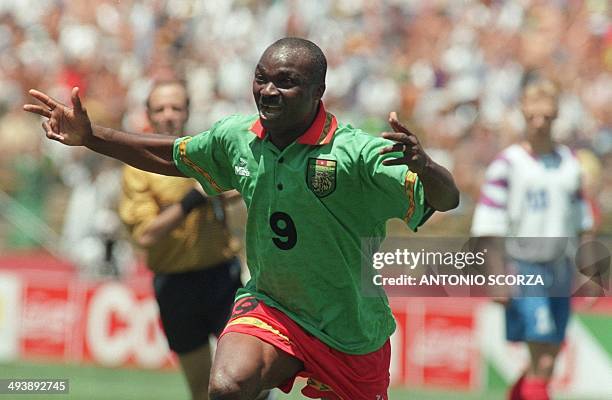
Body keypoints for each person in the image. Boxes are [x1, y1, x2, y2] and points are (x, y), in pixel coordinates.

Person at [24, 37, 459, 400]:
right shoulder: (237, 138)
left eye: (286, 82)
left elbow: (446, 198)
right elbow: (170, 154)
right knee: (228, 385)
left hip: (351, 329)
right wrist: (90, 136)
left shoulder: (355, 154)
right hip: (274, 307)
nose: (268, 90)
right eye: (261, 78)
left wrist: (427, 167)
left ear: (318, 90)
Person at [117, 78, 247, 400]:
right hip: (175, 284)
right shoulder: (139, 168)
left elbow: (239, 185)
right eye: (160, 108)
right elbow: (145, 233)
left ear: (187, 112)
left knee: (244, 376)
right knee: (201, 388)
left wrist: (221, 191)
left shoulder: (204, 152)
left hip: (222, 276)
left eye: (176, 107)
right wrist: (193, 199)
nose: (169, 115)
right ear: (148, 114)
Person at [471, 79, 596, 400]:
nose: (540, 123)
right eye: (533, 117)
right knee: (541, 354)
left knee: (548, 357)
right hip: (525, 268)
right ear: (524, 115)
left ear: (556, 116)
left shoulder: (570, 163)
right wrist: (495, 276)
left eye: (547, 117)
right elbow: (488, 227)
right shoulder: (507, 164)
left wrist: (590, 270)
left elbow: (583, 221)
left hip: (560, 268)